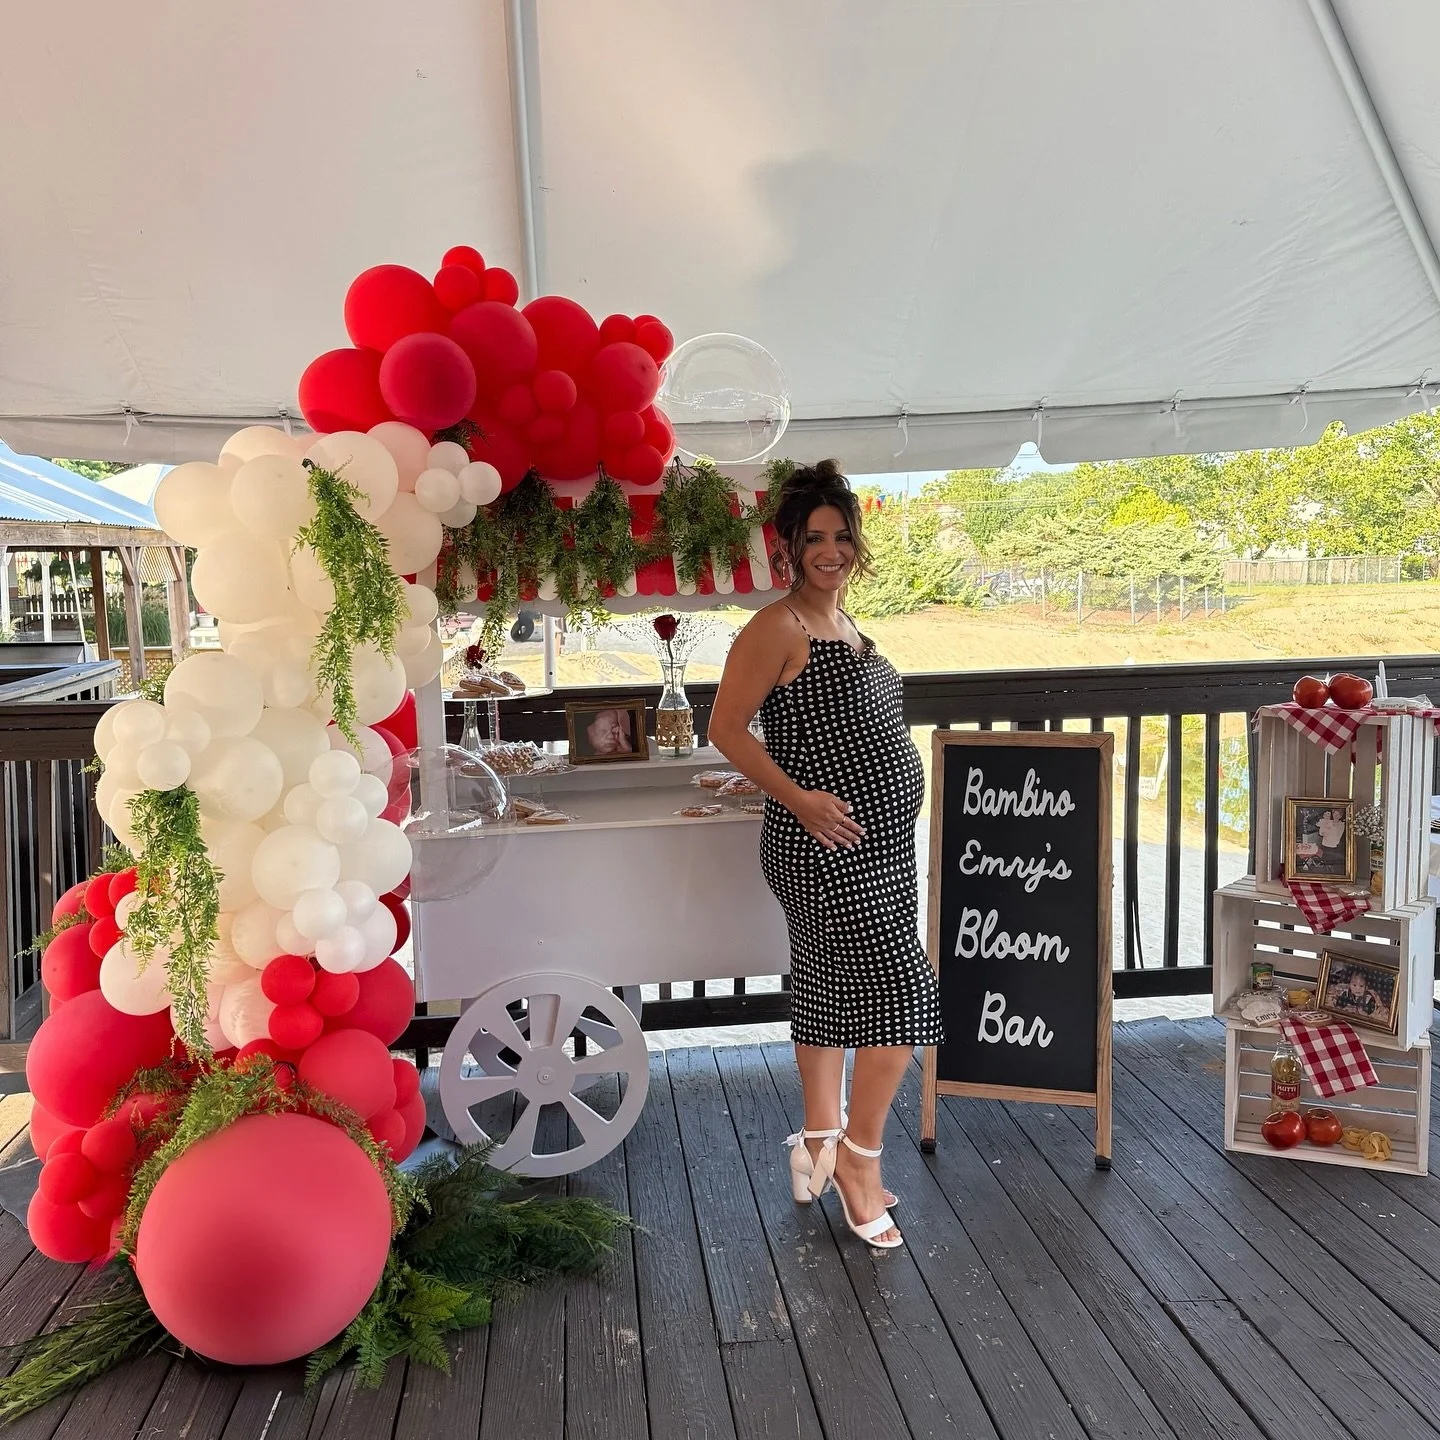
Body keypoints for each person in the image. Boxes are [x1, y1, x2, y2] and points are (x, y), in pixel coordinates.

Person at [708, 460, 943, 1250]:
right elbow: (727, 730)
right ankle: (859, 1161)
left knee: (829, 985)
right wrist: (801, 799)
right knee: (903, 996)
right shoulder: (777, 627)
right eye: (814, 538)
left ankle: (817, 1136)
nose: (831, 549)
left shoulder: (847, 626)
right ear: (788, 548)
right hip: (821, 847)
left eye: (842, 535)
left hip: (879, 849)